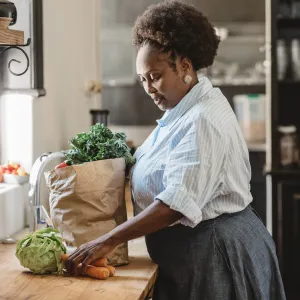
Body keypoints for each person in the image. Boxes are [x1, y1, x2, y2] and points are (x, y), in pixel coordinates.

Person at [67, 1, 286, 299]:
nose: (148, 88)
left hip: (216, 256)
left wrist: (106, 240)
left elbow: (176, 204)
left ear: (184, 65)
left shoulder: (203, 119)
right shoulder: (181, 110)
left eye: (155, 76)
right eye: (143, 79)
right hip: (192, 256)